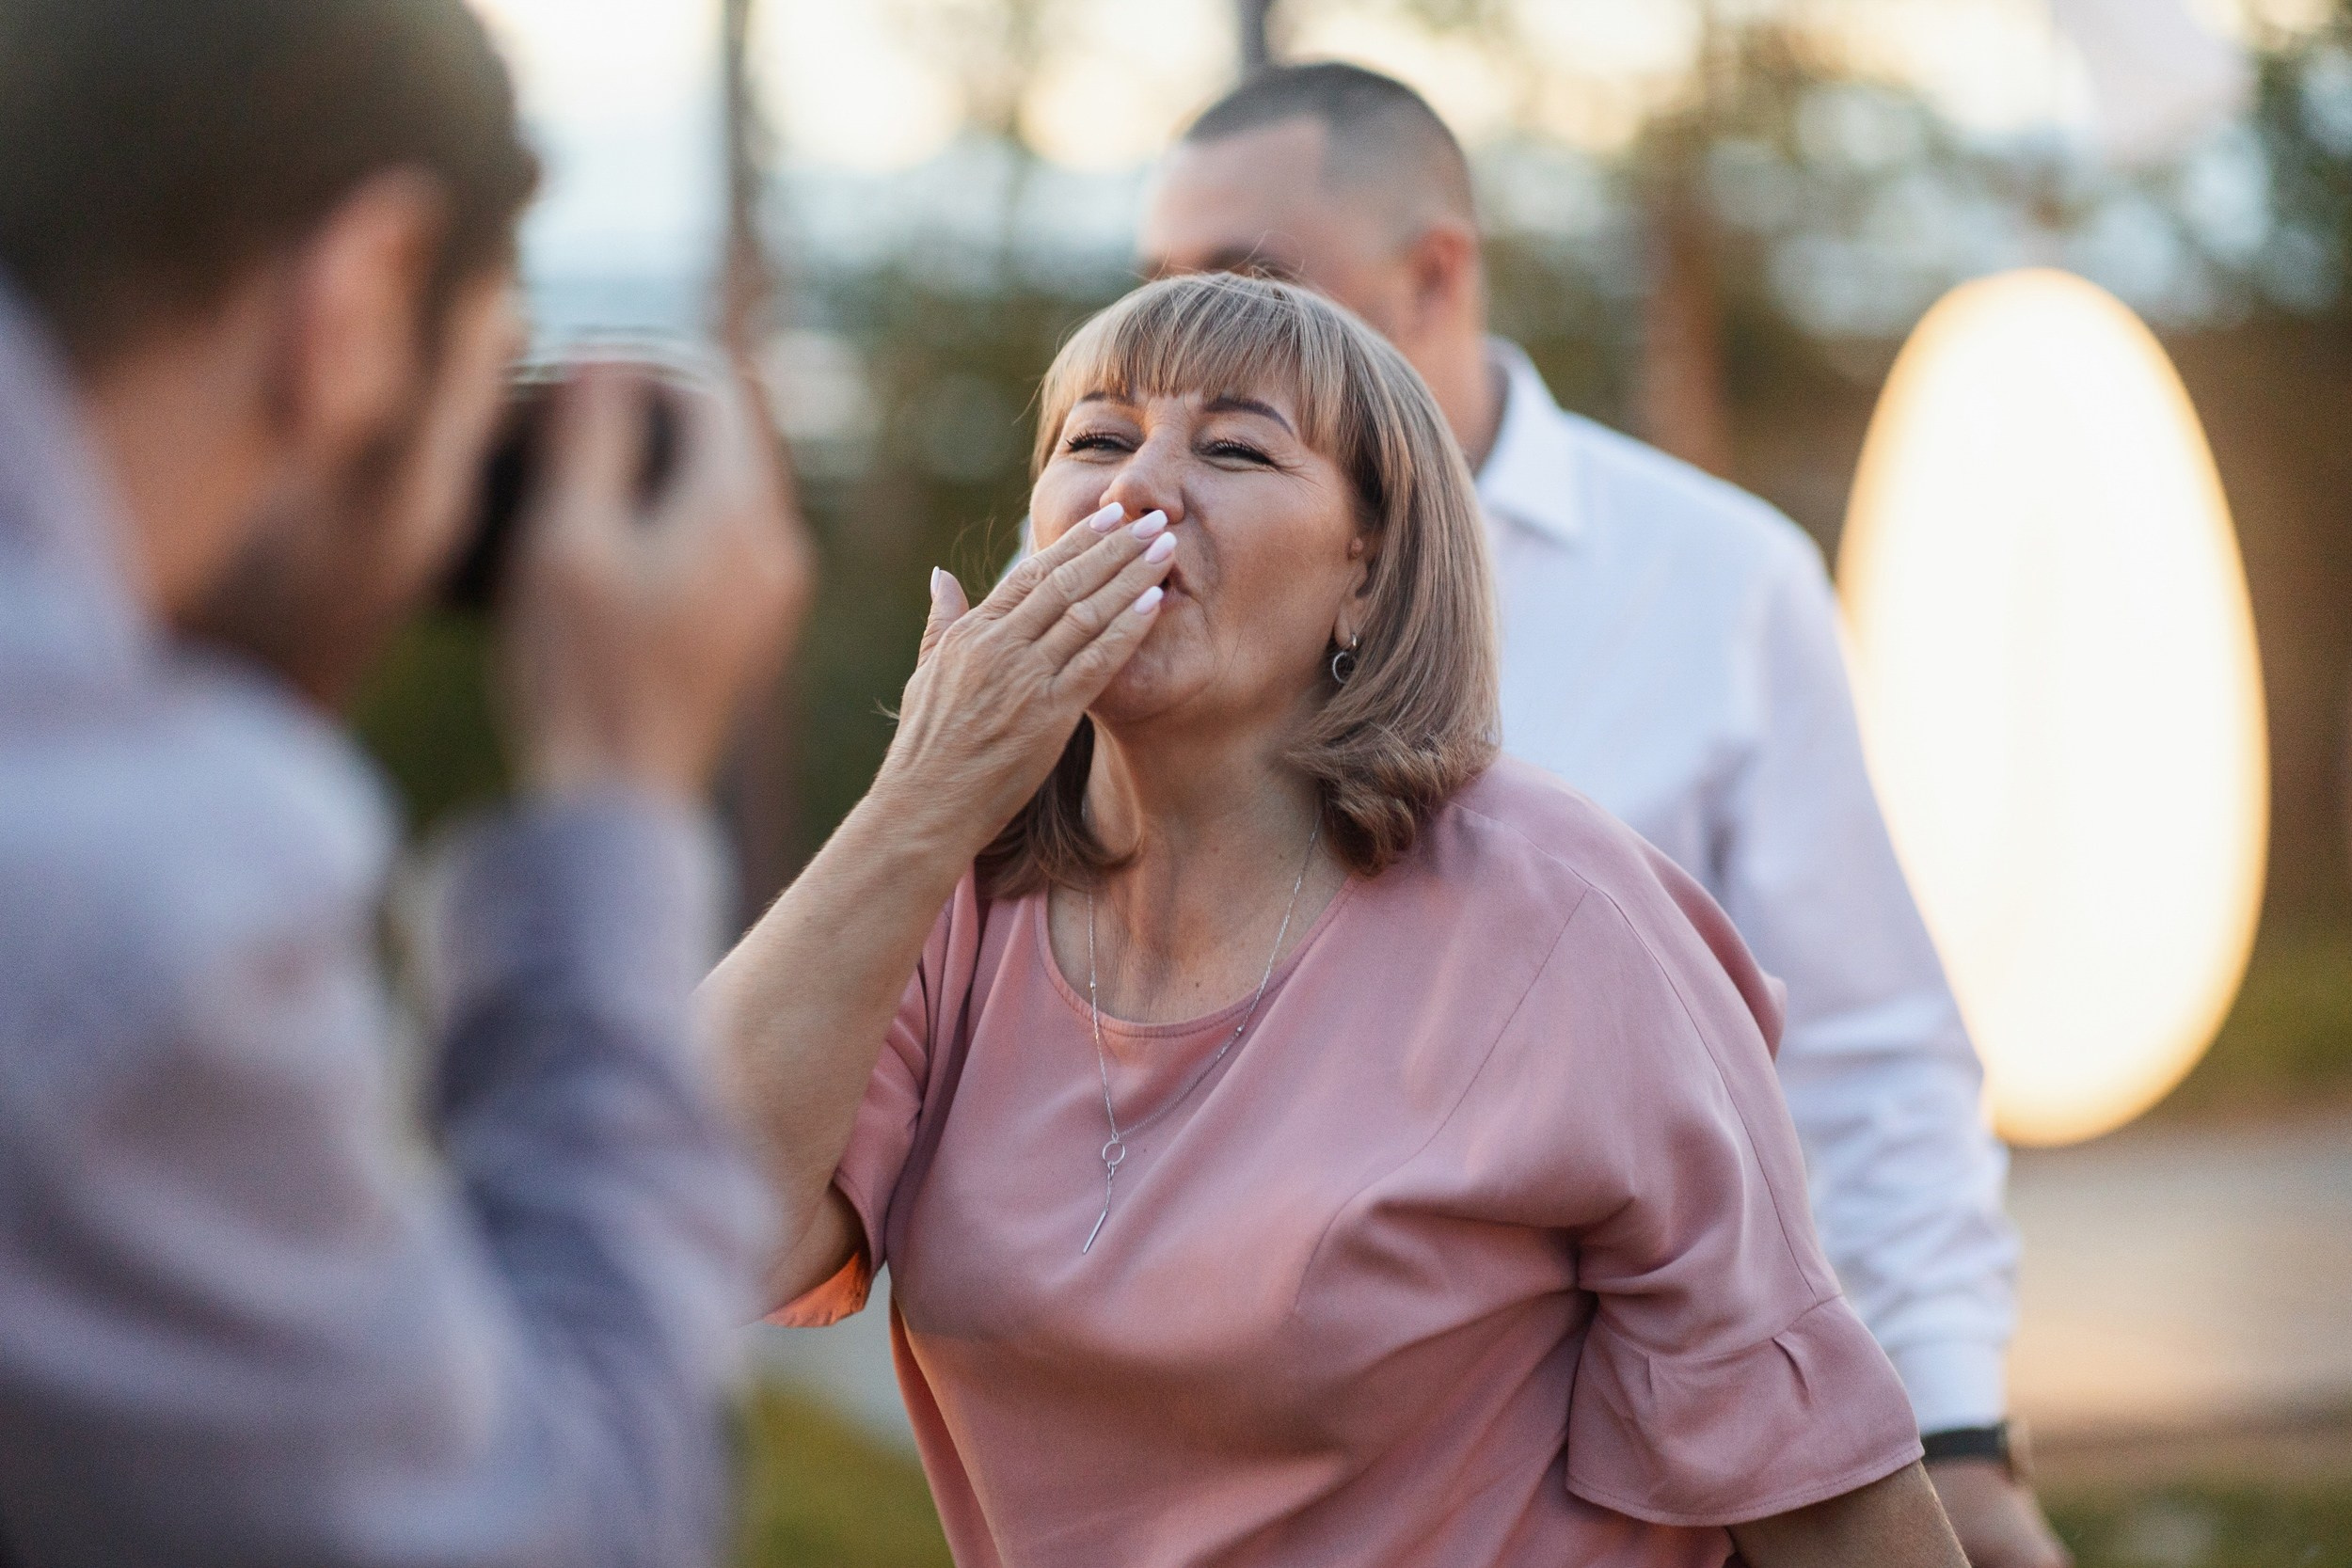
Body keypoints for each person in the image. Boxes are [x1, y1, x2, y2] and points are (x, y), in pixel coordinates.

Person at [712, 270, 1966, 1566]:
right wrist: (916, 806)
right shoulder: (951, 897)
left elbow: (1815, 1488)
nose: (1138, 489)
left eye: (1236, 447)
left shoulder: (1563, 917)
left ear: (1365, 573)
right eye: (1096, 440)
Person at [1136, 64, 2061, 1568]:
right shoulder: (1154, 594)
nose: (1191, 349)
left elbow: (1867, 1051)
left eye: (1248, 286)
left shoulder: (1718, 581)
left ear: (1437, 269)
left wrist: (1955, 1433)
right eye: (1157, 291)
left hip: (1684, 1490)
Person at [0, 1, 808, 1562]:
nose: (446, 519)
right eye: (483, 377)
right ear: (361, 296)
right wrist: (621, 788)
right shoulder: (130, 897)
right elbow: (578, 1522)